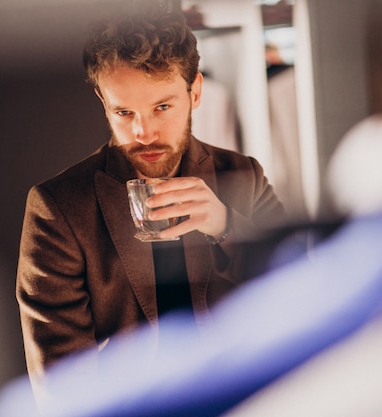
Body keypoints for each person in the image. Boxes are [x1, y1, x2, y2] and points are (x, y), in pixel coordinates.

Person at [16, 9, 285, 391]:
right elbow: (63, 386)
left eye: (162, 107)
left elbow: (300, 291)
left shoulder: (243, 176)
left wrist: (226, 226)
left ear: (195, 92)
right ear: (102, 100)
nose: (143, 133)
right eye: (123, 112)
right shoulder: (57, 209)